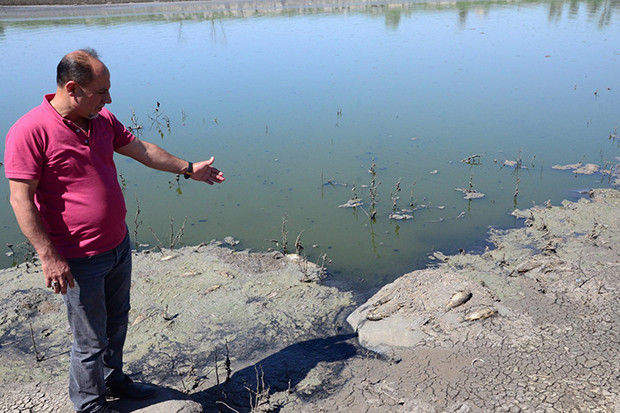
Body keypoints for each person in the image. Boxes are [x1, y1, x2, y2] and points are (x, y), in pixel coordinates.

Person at [4, 48, 225, 413]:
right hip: (78, 257)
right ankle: (90, 404)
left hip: (118, 245)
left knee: (117, 321)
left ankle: (113, 380)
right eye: (101, 91)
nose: (109, 99)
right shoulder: (29, 131)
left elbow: (142, 150)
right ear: (72, 88)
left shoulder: (101, 119)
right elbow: (20, 200)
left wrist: (189, 168)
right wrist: (49, 257)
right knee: (89, 340)